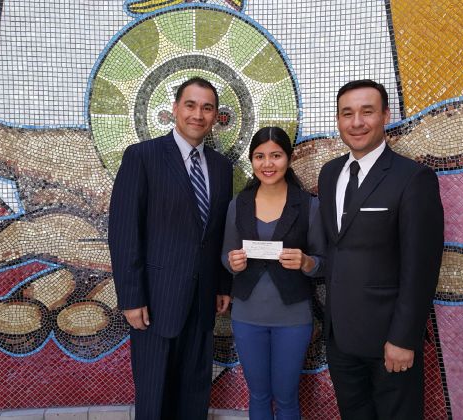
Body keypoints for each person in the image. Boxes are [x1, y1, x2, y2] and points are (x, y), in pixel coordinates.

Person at [317, 80, 444, 419]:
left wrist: (404, 338)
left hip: (389, 339)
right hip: (341, 336)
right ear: (338, 120)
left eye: (367, 112)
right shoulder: (329, 175)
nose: (356, 122)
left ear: (385, 116)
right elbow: (337, 248)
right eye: (347, 113)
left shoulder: (413, 178)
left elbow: (421, 266)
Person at [108, 77, 234, 419]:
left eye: (207, 108)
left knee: (194, 392)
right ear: (175, 109)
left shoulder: (222, 168)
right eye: (190, 105)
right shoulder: (142, 157)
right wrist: (131, 298)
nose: (198, 114)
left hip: (203, 299)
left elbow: (219, 231)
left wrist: (223, 284)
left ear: (215, 117)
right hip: (155, 300)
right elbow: (123, 231)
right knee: (154, 394)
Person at [222, 127, 325, 419]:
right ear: (252, 161)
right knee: (258, 395)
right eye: (260, 156)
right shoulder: (238, 205)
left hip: (293, 317)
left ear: (289, 159)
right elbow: (225, 254)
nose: (268, 164)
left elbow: (324, 260)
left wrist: (307, 263)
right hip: (246, 316)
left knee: (286, 396)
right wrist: (232, 263)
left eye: (276, 155)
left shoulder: (309, 206)